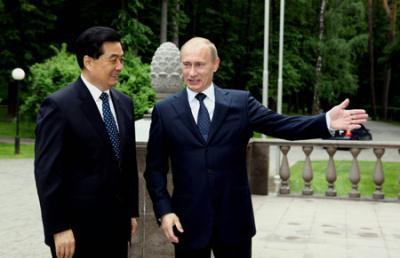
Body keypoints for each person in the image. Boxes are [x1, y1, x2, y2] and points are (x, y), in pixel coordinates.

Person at [144, 37, 368, 258]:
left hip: (234, 222)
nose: (192, 72)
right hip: (187, 223)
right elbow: (154, 170)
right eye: (187, 64)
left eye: (199, 65)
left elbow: (284, 126)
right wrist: (165, 211)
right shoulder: (165, 111)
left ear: (215, 64)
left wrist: (326, 121)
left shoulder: (240, 103)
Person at [34, 26, 139, 258]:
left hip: (117, 229)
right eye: (113, 60)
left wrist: (131, 212)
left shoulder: (124, 103)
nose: (120, 67)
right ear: (89, 62)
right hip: (75, 233)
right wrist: (59, 228)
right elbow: (48, 174)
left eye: (121, 59)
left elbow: (127, 164)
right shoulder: (58, 106)